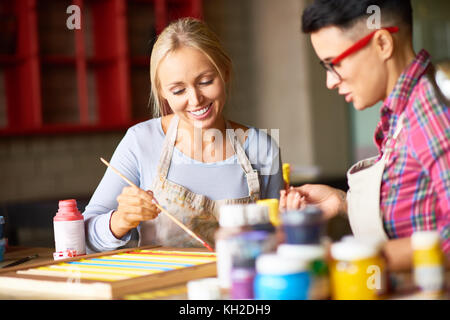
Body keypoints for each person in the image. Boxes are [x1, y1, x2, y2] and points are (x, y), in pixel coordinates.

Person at [83, 18, 283, 253]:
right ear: (162, 92)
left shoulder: (261, 148)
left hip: (237, 286)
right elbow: (85, 236)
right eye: (178, 90)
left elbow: (278, 241)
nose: (196, 100)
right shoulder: (141, 141)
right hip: (159, 287)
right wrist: (120, 221)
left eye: (206, 81)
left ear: (226, 72)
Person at [281, 0, 449, 271]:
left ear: (382, 43)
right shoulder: (401, 111)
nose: (330, 81)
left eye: (333, 64)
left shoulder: (430, 109)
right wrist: (342, 203)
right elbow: (417, 206)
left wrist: (352, 257)